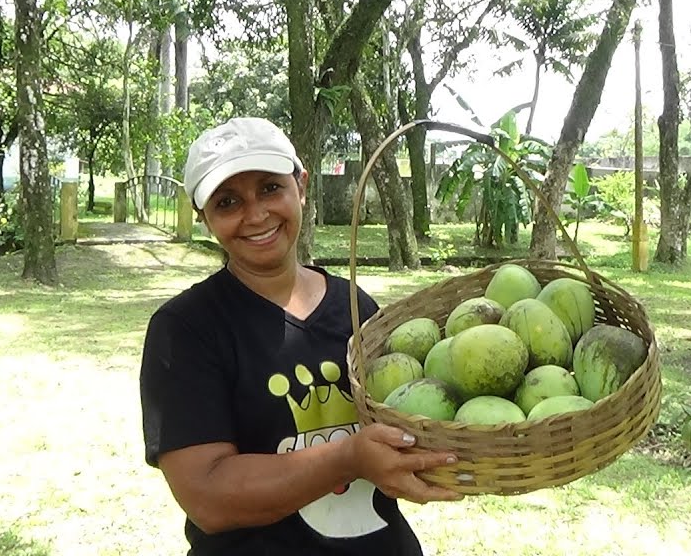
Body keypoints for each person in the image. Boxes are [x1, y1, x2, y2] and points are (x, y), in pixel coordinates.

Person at [139, 116, 462, 555]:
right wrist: (348, 458)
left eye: (270, 188)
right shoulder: (186, 330)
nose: (255, 215)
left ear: (301, 185)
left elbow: (411, 419)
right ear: (204, 218)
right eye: (228, 202)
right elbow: (207, 495)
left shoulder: (355, 306)